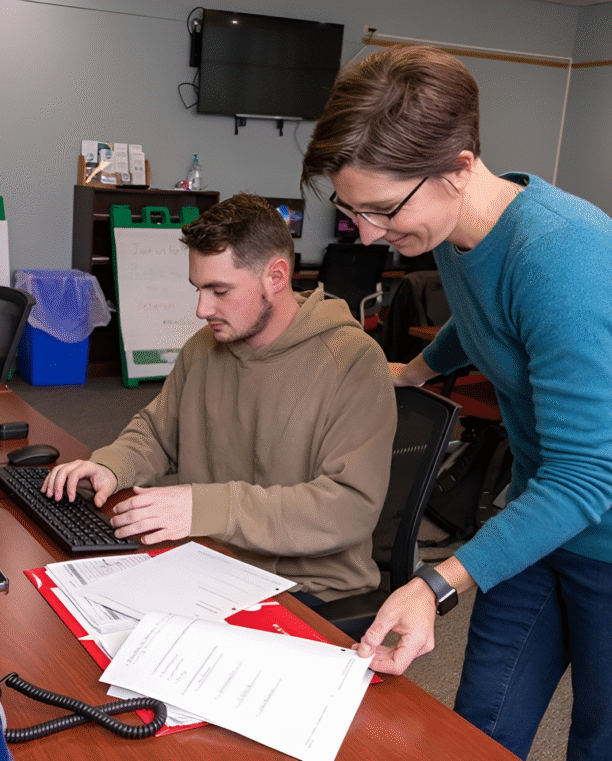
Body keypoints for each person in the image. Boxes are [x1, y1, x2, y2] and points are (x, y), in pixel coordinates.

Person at [301, 45, 612, 761]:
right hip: (542, 512)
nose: (372, 235)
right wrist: (414, 369)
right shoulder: (456, 228)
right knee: (478, 726)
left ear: (460, 167)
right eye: (353, 211)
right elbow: (482, 315)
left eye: (384, 210)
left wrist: (436, 583)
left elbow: (589, 476)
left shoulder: (562, 255)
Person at [42, 193, 396, 602]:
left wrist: (204, 507)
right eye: (197, 288)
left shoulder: (351, 361)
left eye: (219, 291)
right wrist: (110, 467)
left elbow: (348, 508)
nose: (201, 308)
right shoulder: (204, 348)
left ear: (276, 277)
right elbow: (157, 435)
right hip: (209, 559)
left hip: (306, 590)